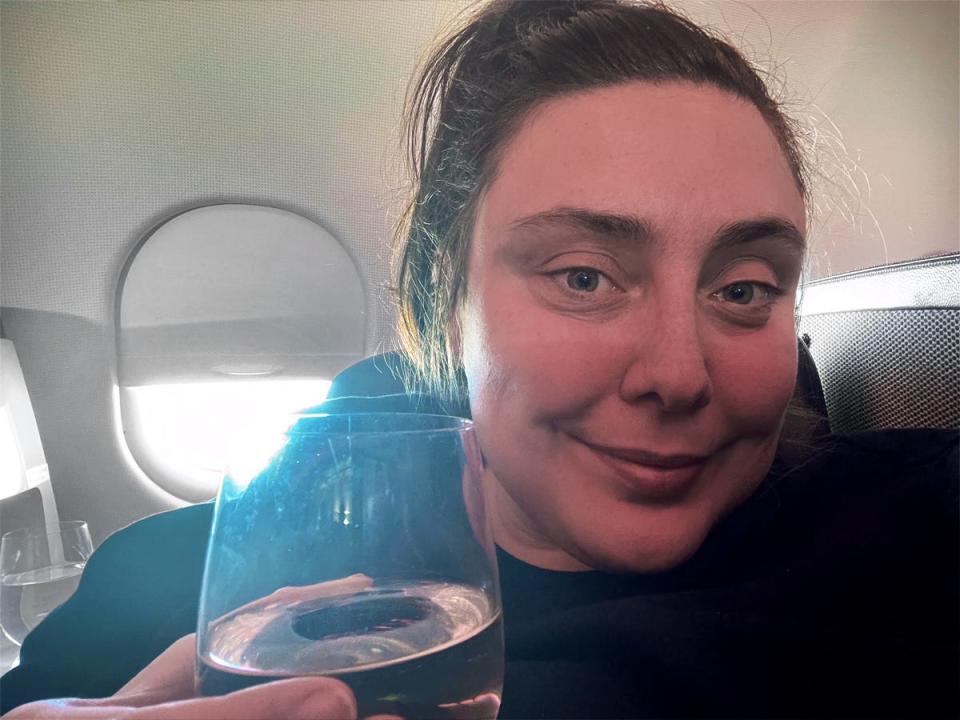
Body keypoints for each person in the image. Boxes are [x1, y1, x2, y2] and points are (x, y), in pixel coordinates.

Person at [2, 0, 957, 718]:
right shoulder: (178, 597)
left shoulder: (908, 533)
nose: (677, 373)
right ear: (442, 301)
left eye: (743, 288)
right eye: (584, 277)